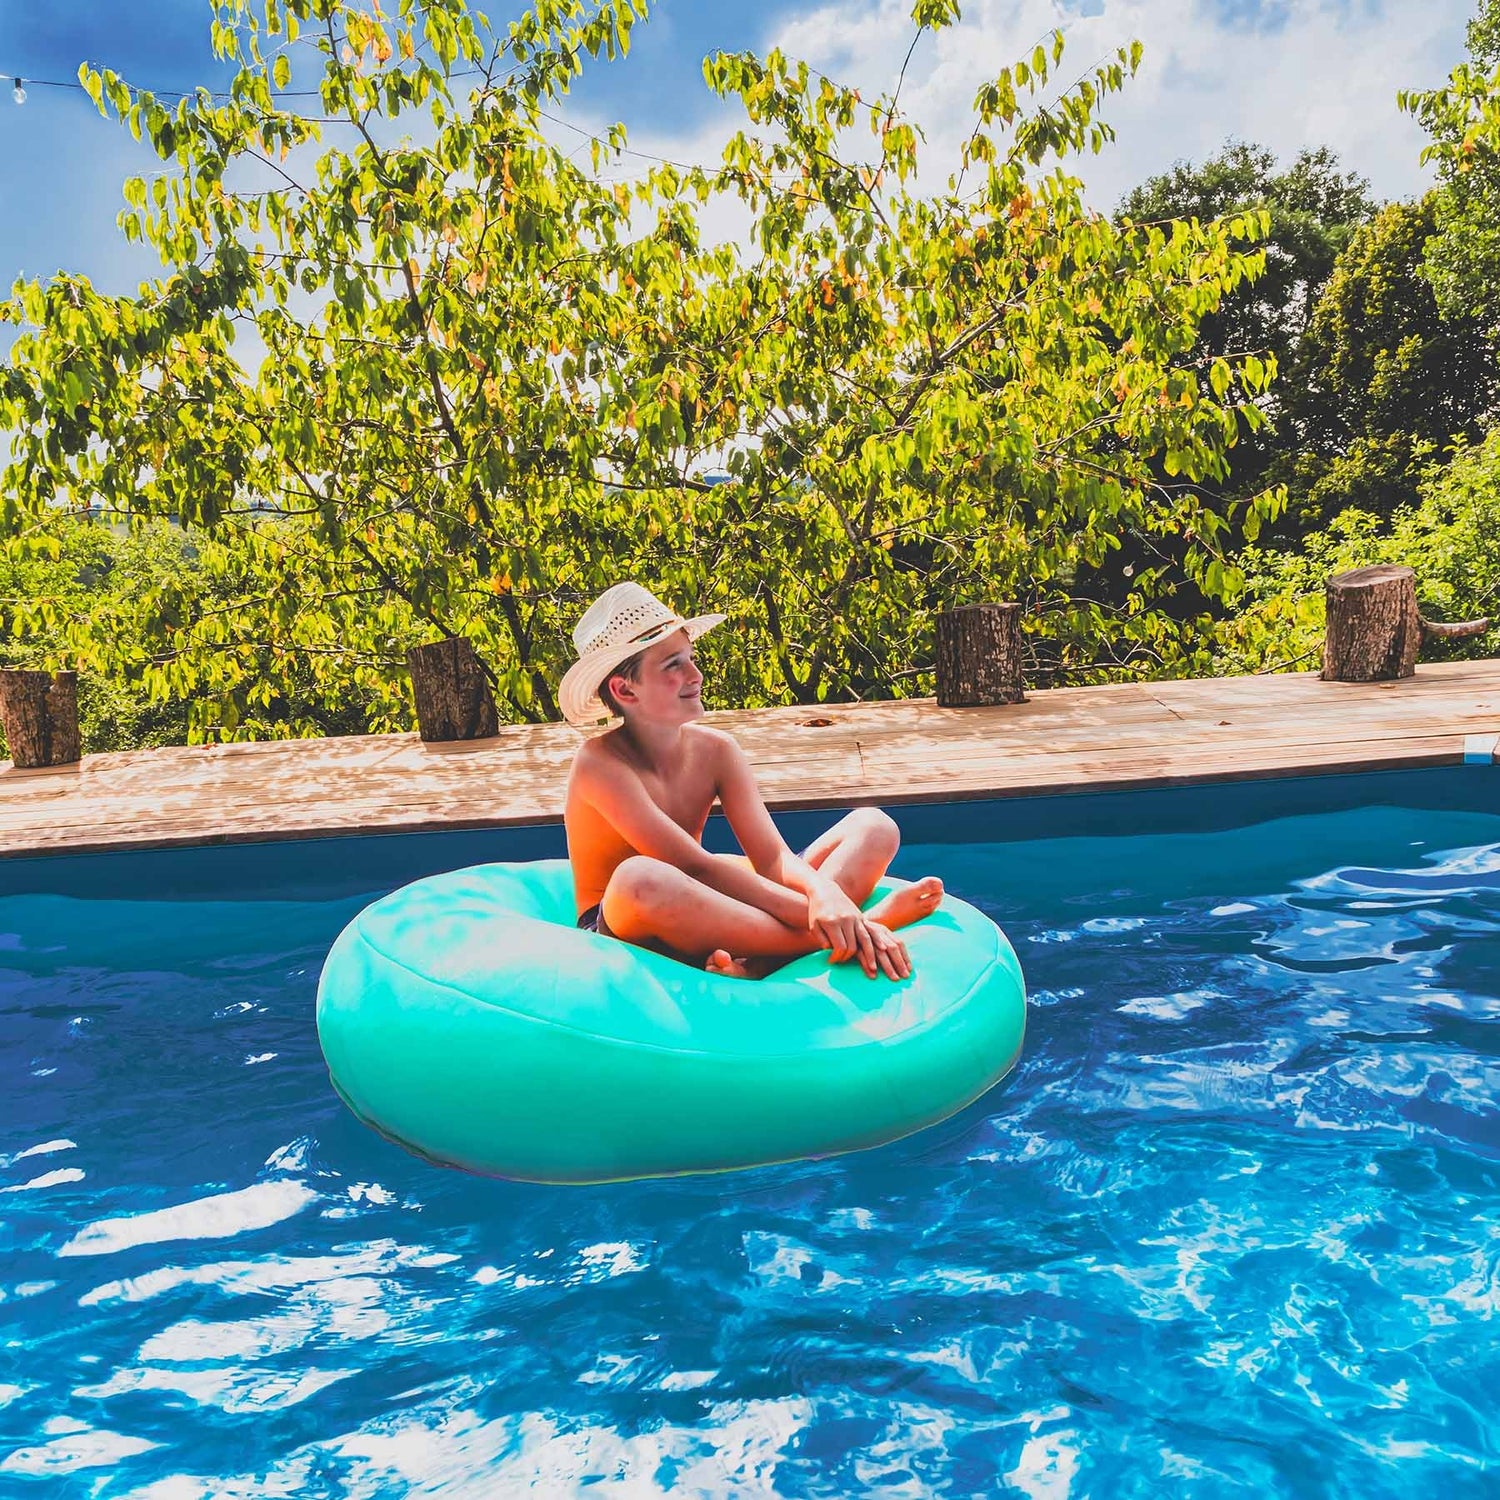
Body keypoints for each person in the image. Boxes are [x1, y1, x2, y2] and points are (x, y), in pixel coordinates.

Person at [560, 582, 943, 980]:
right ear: (625, 689)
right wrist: (829, 914)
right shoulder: (599, 764)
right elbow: (693, 867)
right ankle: (856, 928)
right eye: (673, 664)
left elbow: (773, 858)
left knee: (874, 826)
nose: (696, 674)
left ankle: (759, 961)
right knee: (639, 876)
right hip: (627, 921)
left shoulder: (717, 750)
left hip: (700, 905)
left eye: (691, 658)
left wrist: (824, 894)